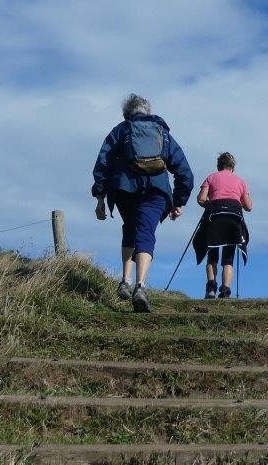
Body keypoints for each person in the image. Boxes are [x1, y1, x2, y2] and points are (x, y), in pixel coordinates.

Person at [92, 94, 193, 312]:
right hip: (156, 190)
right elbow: (185, 172)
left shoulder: (120, 130)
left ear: (127, 113)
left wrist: (100, 196)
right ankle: (140, 286)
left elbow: (103, 163)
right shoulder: (162, 133)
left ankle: (126, 280)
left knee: (130, 228)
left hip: (125, 189)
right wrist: (179, 201)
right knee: (145, 232)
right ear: (148, 112)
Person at [193, 152, 252, 298]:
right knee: (228, 258)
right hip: (233, 218)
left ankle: (211, 289)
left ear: (219, 166)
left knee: (212, 254)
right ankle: (225, 292)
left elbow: (201, 199)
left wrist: (210, 203)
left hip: (215, 217)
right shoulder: (240, 181)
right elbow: (249, 206)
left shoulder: (211, 177)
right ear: (232, 167)